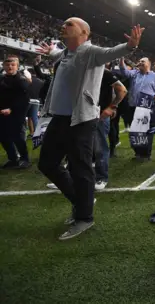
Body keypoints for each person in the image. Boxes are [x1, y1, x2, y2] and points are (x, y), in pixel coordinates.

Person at [36, 19, 143, 240]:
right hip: (60, 118)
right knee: (47, 163)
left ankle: (84, 217)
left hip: (82, 120)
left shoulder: (92, 52)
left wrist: (131, 46)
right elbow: (58, 56)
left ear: (84, 31)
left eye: (69, 24)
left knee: (80, 168)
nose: (63, 26)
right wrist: (51, 51)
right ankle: (80, 201)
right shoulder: (66, 53)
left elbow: (112, 52)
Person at [117, 57, 155, 161]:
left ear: (148, 63)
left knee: (146, 131)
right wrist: (121, 59)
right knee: (135, 131)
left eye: (142, 61)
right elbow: (124, 72)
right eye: (139, 61)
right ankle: (138, 153)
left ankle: (146, 154)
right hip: (133, 107)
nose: (140, 62)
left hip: (147, 108)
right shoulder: (134, 73)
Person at [93, 70, 127, 190]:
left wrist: (112, 107)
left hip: (99, 114)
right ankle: (69, 175)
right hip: (81, 112)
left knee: (100, 146)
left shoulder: (104, 72)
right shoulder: (82, 69)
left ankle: (101, 177)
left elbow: (122, 90)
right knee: (77, 145)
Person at [0, 55, 32, 169]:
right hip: (2, 112)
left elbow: (24, 100)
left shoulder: (21, 80)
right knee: (3, 137)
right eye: (7, 65)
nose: (10, 67)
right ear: (3, 66)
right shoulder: (2, 79)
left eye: (12, 65)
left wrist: (11, 109)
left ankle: (25, 159)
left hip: (16, 113)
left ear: (17, 66)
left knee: (17, 137)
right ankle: (13, 158)